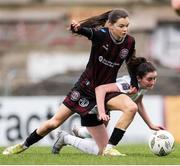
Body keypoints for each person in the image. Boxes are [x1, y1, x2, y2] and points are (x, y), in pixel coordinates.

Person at [2, 9, 137, 156]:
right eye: (121, 26)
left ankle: (109, 146)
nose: (125, 30)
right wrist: (78, 29)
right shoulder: (101, 35)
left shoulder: (129, 42)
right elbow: (87, 32)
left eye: (127, 26)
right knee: (54, 123)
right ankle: (23, 145)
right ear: (110, 25)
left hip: (106, 90)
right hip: (85, 89)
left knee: (130, 108)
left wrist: (134, 81)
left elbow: (130, 61)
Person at [51, 57, 164, 156]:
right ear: (138, 78)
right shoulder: (127, 84)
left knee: (100, 150)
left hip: (103, 109)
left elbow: (138, 102)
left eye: (155, 78)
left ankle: (70, 136)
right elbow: (101, 89)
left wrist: (150, 125)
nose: (153, 82)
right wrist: (101, 111)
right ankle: (108, 147)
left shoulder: (143, 86)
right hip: (93, 107)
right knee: (103, 148)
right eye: (150, 79)